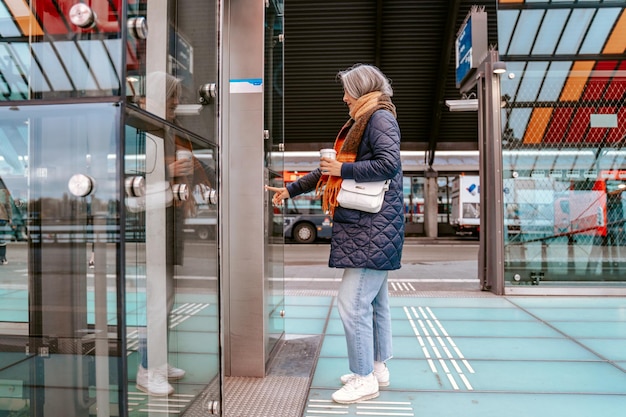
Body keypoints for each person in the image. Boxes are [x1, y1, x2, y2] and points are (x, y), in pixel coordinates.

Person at [266, 63, 404, 404]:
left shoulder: (378, 118)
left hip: (372, 226)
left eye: (346, 90)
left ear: (360, 90)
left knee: (352, 304)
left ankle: (363, 378)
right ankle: (376, 368)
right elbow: (326, 172)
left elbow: (389, 163)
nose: (344, 97)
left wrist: (343, 168)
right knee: (374, 303)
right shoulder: (365, 119)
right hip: (372, 227)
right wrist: (291, 189)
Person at [136, 72, 213, 396]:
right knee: (157, 298)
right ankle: (147, 368)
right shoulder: (140, 126)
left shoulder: (167, 129)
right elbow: (130, 169)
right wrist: (169, 168)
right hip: (151, 219)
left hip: (168, 217)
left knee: (164, 297)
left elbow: (190, 163)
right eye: (171, 97)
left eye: (177, 97)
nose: (176, 103)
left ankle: (157, 360)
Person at [0, 182, 12, 265]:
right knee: (2, 239)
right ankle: (2, 258)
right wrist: (10, 217)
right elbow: (8, 205)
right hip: (2, 217)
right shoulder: (4, 191)